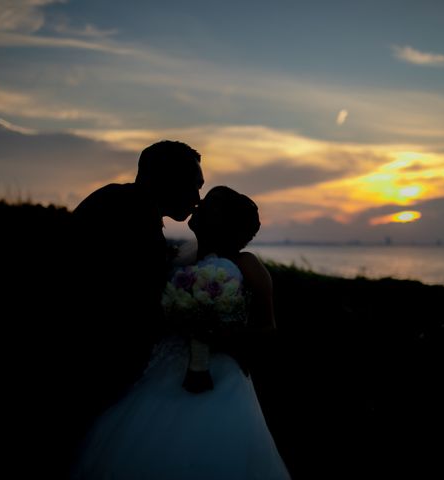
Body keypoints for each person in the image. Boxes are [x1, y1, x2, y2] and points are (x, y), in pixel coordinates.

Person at [70, 186, 291, 480]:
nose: (198, 205)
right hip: (164, 366)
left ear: (224, 219)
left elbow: (269, 329)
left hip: (218, 374)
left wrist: (221, 337)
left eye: (209, 204)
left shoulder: (247, 264)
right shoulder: (177, 258)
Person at [63, 140, 205, 470]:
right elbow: (121, 302)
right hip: (90, 366)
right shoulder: (127, 215)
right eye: (193, 187)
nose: (198, 200)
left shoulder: (121, 203)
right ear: (167, 178)